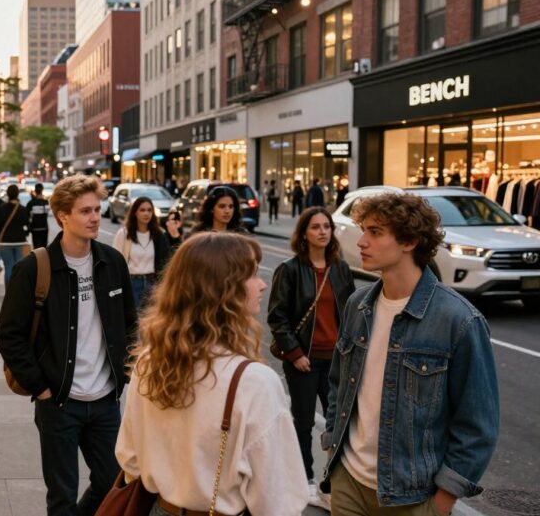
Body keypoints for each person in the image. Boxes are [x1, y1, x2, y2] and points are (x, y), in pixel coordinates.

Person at [321, 193, 499, 515]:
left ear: (409, 241)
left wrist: (442, 502)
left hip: (413, 498)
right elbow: (338, 385)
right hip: (348, 483)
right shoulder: (358, 305)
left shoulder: (458, 320)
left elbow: (477, 424)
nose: (361, 241)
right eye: (363, 230)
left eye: (375, 232)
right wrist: (332, 443)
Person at [116, 233, 308, 516]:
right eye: (253, 274)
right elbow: (277, 500)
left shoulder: (150, 361)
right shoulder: (255, 382)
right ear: (224, 290)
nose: (262, 284)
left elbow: (130, 459)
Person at [0, 174, 137, 516]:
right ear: (62, 216)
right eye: (85, 211)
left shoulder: (112, 262)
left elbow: (129, 323)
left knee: (111, 483)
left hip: (105, 400)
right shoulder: (34, 268)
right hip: (59, 402)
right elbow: (9, 334)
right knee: (61, 496)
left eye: (97, 210)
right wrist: (41, 387)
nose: (95, 218)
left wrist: (125, 373)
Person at [267, 206, 356, 509]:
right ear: (304, 233)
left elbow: (351, 313)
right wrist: (294, 354)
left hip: (335, 361)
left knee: (337, 424)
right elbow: (277, 317)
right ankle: (303, 479)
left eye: (326, 226)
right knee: (303, 423)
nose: (322, 232)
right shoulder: (290, 269)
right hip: (303, 362)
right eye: (315, 227)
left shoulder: (340, 269)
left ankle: (331, 482)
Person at [112, 197, 171, 308]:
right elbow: (114, 262)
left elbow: (165, 260)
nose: (146, 213)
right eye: (142, 210)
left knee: (150, 317)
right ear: (135, 212)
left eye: (149, 210)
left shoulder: (158, 234)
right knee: (132, 317)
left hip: (152, 284)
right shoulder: (124, 233)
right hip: (131, 283)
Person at [0, 184, 30, 284]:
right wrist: (25, 233)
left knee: (8, 267)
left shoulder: (1, 209)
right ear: (17, 194)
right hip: (20, 242)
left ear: (8, 194)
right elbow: (28, 225)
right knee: (18, 268)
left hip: (5, 243)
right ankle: (16, 290)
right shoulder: (22, 209)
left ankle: (8, 291)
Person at [28, 182, 51, 249]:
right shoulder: (46, 202)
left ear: (35, 191)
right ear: (42, 190)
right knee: (44, 248)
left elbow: (27, 215)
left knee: (36, 248)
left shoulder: (31, 203)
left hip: (35, 228)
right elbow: (46, 213)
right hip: (44, 227)